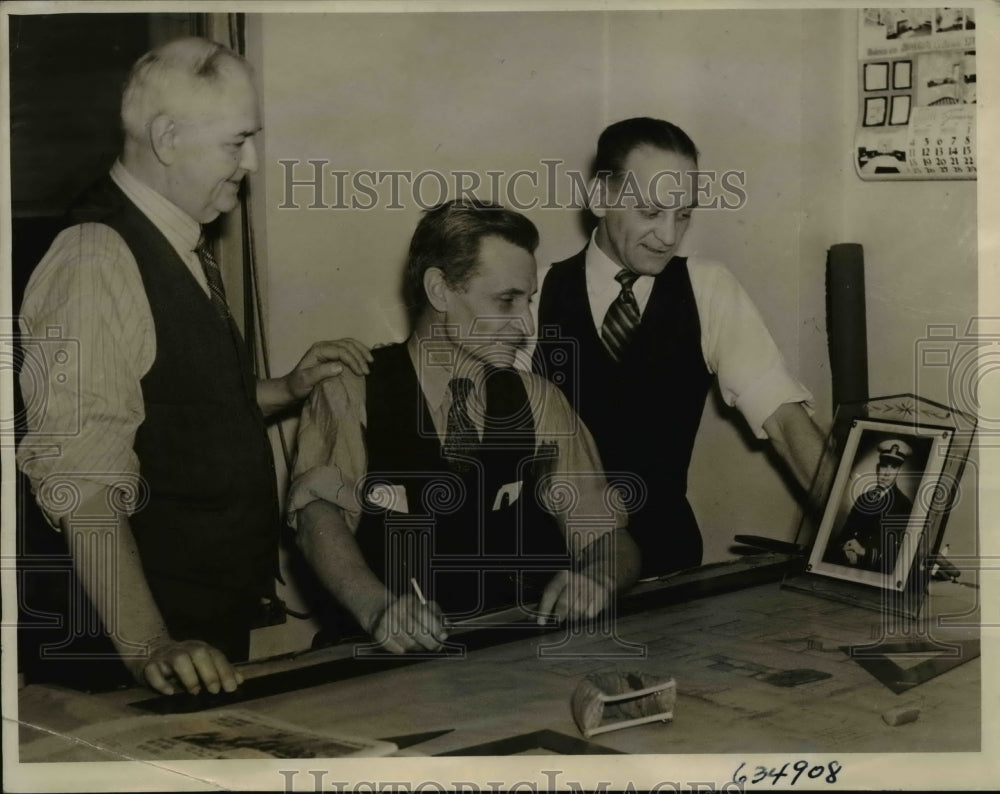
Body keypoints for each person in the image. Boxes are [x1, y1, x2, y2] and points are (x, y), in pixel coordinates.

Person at [15, 37, 372, 697]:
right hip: (126, 664)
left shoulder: (177, 240)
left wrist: (282, 389)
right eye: (237, 144)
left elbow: (170, 406)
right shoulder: (96, 259)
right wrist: (148, 642)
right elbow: (81, 481)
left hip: (199, 641)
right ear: (168, 137)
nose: (252, 163)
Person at [288, 199, 641, 654]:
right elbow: (318, 517)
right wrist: (376, 607)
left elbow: (611, 538)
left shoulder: (539, 400)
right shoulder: (351, 389)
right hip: (381, 661)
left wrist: (599, 578)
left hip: (506, 661)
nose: (525, 324)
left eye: (527, 300)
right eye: (505, 300)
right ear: (439, 289)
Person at [533, 117, 826, 578]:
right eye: (650, 213)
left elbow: (787, 423)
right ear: (600, 198)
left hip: (665, 563)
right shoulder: (531, 292)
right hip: (547, 569)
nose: (669, 236)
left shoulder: (709, 287)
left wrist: (869, 531)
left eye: (683, 214)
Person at [825, 439, 914, 573]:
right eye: (884, 466)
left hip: (875, 573)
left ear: (899, 471)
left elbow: (897, 555)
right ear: (878, 468)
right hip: (846, 566)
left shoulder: (904, 505)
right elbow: (843, 536)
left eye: (893, 467)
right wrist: (847, 550)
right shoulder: (863, 499)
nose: (887, 473)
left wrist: (863, 552)